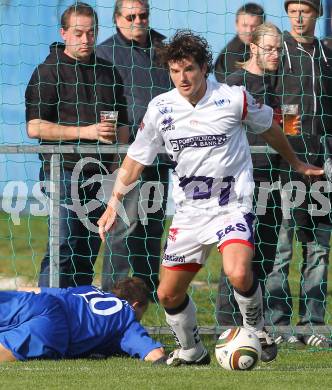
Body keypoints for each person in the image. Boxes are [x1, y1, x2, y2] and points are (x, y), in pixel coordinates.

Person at [97, 30, 324, 365]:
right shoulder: (161, 108)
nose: (182, 78)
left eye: (188, 69)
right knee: (167, 293)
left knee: (238, 272)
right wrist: (114, 201)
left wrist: (295, 161)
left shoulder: (233, 97)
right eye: (175, 71)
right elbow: (135, 159)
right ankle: (192, 349)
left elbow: (271, 127)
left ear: (204, 67)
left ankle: (256, 327)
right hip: (189, 213)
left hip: (232, 205)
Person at [25, 2, 128, 287]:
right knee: (63, 245)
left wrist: (118, 163)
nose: (85, 40)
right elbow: (34, 127)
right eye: (78, 33)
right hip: (63, 170)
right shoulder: (48, 71)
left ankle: (79, 315)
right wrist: (88, 131)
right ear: (64, 33)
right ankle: (52, 311)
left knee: (88, 250)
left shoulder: (108, 71)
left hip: (100, 171)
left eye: (91, 33)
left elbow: (123, 124)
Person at [265, 0, 332, 348]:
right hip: (286, 165)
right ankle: (277, 323)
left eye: (306, 9)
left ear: (318, 13)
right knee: (282, 247)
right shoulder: (278, 52)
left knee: (319, 247)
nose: (300, 17)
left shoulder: (326, 53)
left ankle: (312, 324)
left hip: (324, 165)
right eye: (294, 11)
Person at [96, 0, 172, 297]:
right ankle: (111, 298)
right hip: (125, 155)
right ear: (117, 19)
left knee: (152, 228)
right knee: (121, 228)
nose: (138, 20)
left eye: (143, 15)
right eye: (131, 16)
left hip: (162, 155)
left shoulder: (163, 48)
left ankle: (146, 296)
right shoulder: (104, 53)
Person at [215, 23, 284, 327]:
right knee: (238, 256)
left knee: (267, 255)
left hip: (271, 177)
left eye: (279, 48)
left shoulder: (275, 82)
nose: (275, 54)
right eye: (269, 48)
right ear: (253, 47)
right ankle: (228, 325)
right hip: (241, 184)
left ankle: (254, 324)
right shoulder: (234, 83)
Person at [0, 277, 165, 362]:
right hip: (55, 328)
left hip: (41, 301)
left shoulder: (90, 290)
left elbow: (36, 290)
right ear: (136, 305)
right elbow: (155, 354)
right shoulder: (128, 321)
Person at [214, 3, 265, 83]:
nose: (249, 31)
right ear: (236, 25)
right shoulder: (231, 54)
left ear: (263, 26)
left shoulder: (269, 47)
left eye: (254, 26)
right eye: (245, 25)